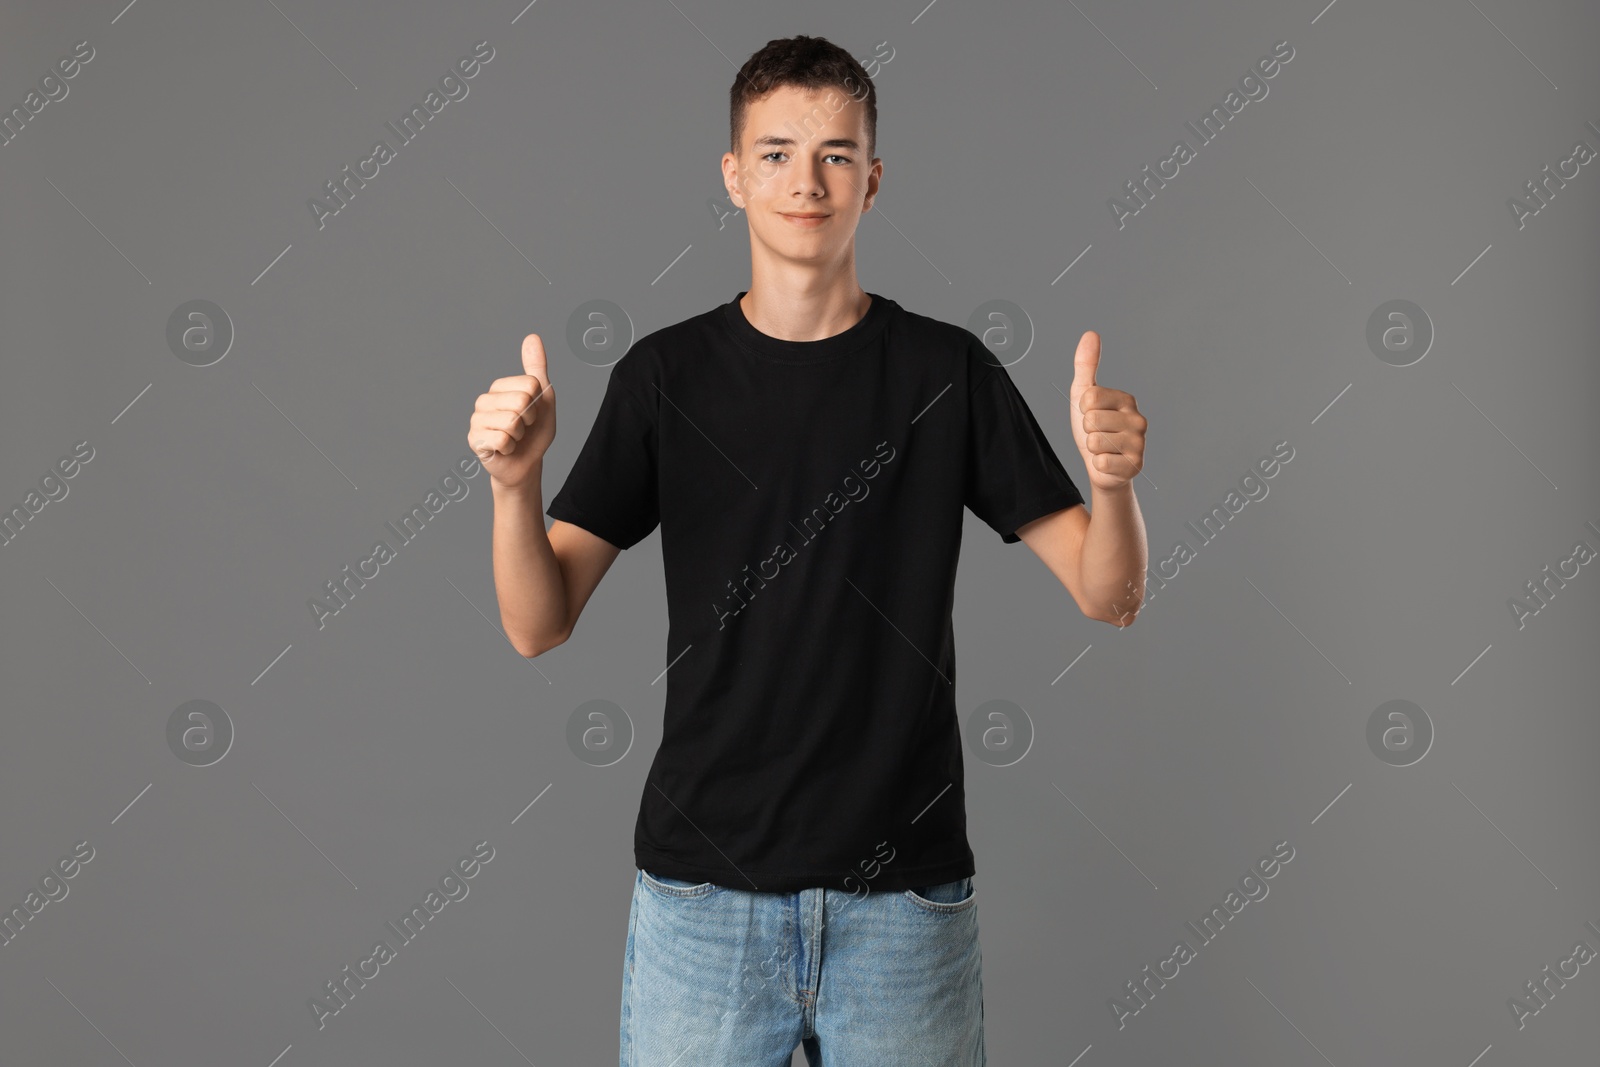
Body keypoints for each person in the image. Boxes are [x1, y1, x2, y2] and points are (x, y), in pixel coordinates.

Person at [466, 33, 1149, 1067]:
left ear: (872, 182)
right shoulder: (665, 377)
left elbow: (1110, 593)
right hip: (702, 904)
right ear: (734, 175)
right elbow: (535, 621)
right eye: (777, 152)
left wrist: (1114, 484)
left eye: (836, 154)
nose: (806, 180)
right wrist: (513, 487)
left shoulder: (945, 372)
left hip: (903, 906)